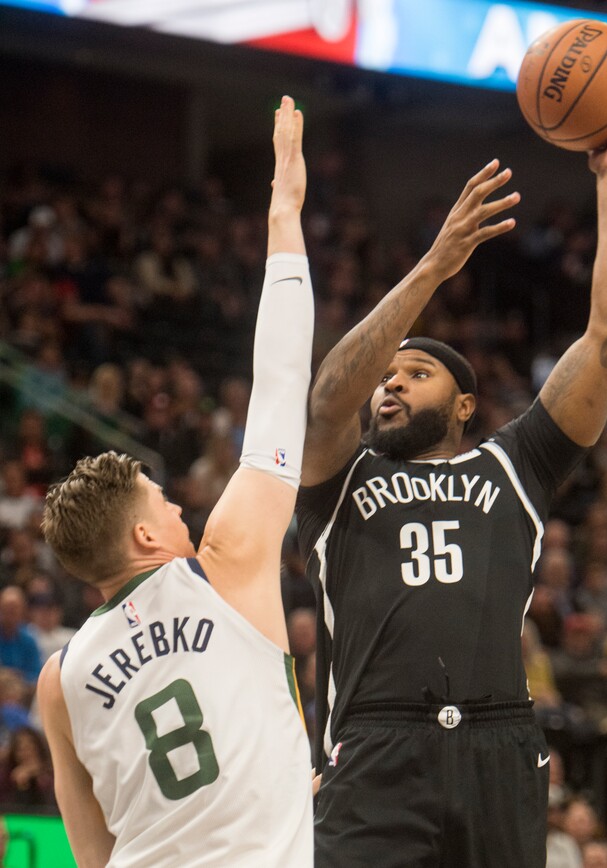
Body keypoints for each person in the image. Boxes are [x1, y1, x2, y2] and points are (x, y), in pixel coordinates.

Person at [296, 73, 607, 867]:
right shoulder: (338, 483)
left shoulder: (515, 465)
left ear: (465, 406)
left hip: (500, 743)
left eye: (416, 371)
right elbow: (327, 401)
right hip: (376, 746)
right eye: (386, 375)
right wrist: (432, 269)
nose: (390, 380)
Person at [36, 96, 315, 867]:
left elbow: (90, 855)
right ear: (143, 534)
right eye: (164, 499)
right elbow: (282, 383)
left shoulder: (58, 682)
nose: (181, 502)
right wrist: (284, 211)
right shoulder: (223, 569)